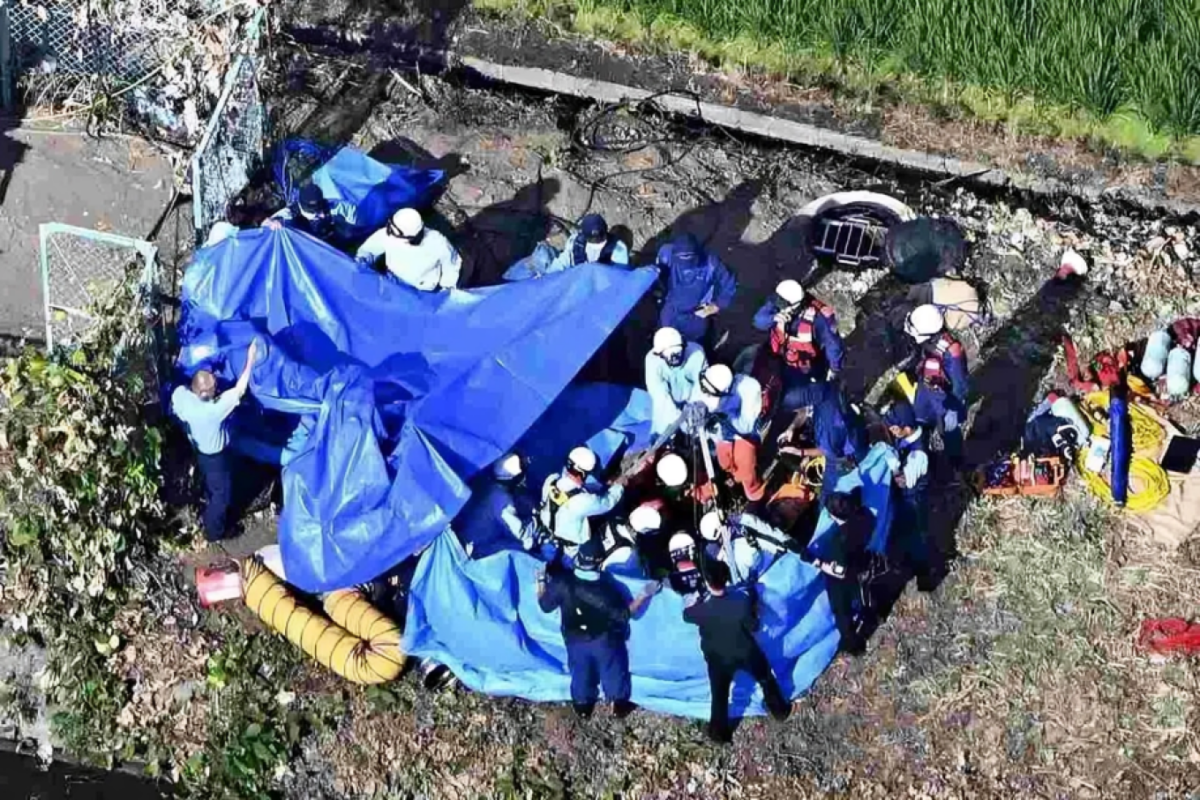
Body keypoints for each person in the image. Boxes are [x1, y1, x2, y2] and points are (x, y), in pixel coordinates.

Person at [537, 540, 660, 718]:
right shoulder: (606, 590)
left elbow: (544, 605)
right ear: (599, 562)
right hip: (604, 641)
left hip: (574, 639)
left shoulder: (562, 582)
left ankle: (583, 707)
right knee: (613, 670)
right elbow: (625, 614)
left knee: (580, 672)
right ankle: (619, 706)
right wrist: (644, 594)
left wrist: (541, 581)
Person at [684, 560, 790, 743]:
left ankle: (718, 734)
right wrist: (752, 599)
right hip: (745, 652)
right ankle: (780, 711)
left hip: (717, 657)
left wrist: (696, 600)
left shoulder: (701, 610)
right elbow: (754, 626)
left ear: (708, 583)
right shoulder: (741, 601)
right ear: (726, 580)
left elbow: (686, 615)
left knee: (719, 695)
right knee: (766, 678)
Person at [171, 340, 258, 542]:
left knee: (211, 483)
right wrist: (251, 359)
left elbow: (177, 394)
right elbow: (240, 389)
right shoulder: (213, 410)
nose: (216, 388)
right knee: (221, 495)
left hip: (199, 450)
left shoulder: (182, 396)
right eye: (213, 388)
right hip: (215, 457)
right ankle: (214, 532)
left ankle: (205, 500)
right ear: (204, 393)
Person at [753, 279, 844, 413]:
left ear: (796, 305)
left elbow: (833, 346)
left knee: (786, 400)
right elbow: (758, 321)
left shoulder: (819, 318)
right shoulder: (779, 300)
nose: (779, 306)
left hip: (801, 368)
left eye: (784, 304)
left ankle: (819, 398)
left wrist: (834, 368)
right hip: (775, 357)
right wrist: (773, 318)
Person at [881, 397, 936, 591]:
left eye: (894, 427)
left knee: (916, 536)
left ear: (907, 428)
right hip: (906, 497)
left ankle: (924, 576)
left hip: (913, 499)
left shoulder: (918, 455)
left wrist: (894, 467)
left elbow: (903, 481)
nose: (891, 430)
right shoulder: (910, 433)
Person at [778, 383, 867, 500]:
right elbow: (805, 410)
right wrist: (792, 427)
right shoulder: (818, 400)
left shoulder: (826, 439)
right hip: (845, 418)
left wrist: (801, 451)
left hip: (855, 446)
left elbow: (825, 450)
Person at [813, 490, 876, 656]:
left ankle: (852, 644)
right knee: (864, 596)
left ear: (833, 516)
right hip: (861, 564)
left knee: (842, 611)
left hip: (843, 579)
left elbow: (839, 571)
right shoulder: (864, 516)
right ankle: (870, 614)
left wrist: (818, 563)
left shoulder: (838, 542)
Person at [904, 304, 967, 465]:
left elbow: (960, 385)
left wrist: (953, 409)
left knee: (949, 432)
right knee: (920, 420)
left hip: (945, 401)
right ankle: (921, 452)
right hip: (925, 389)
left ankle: (956, 464)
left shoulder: (951, 351)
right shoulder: (928, 339)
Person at [694, 364, 765, 502]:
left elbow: (745, 426)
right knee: (724, 461)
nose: (706, 395)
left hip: (745, 434)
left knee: (744, 470)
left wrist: (722, 416)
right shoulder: (707, 383)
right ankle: (724, 484)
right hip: (722, 430)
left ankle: (754, 490)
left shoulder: (749, 388)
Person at [537, 446, 625, 551]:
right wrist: (619, 486)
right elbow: (608, 503)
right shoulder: (583, 501)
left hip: (548, 530)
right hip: (572, 547)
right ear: (582, 474)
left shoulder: (551, 480)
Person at [655, 233, 737, 345]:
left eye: (689, 257)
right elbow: (656, 277)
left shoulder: (711, 263)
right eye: (682, 258)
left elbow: (729, 285)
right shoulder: (666, 255)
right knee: (665, 341)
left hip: (696, 313)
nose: (685, 262)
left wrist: (717, 306)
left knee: (694, 345)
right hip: (670, 310)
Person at [356, 208, 461, 291]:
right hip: (392, 279)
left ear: (413, 238)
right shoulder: (388, 233)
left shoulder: (438, 243)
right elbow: (368, 250)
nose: (389, 233)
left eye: (394, 232)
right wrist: (362, 260)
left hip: (421, 289)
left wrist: (447, 288)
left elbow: (452, 265)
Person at [456, 452, 536, 558]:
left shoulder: (487, 484)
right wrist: (535, 523)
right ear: (514, 478)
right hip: (475, 550)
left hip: (463, 538)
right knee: (523, 545)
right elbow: (521, 534)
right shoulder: (502, 500)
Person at [646, 327, 708, 437]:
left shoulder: (697, 353)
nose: (675, 358)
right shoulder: (652, 362)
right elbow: (660, 396)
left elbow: (702, 386)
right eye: (670, 356)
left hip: (691, 396)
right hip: (668, 400)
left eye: (678, 353)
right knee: (663, 427)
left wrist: (694, 411)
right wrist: (679, 420)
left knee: (702, 422)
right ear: (660, 354)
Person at [549, 213, 630, 270]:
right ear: (584, 236)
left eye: (600, 238)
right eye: (593, 240)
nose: (597, 242)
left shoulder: (618, 249)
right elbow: (560, 265)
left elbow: (620, 274)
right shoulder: (575, 244)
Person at [264, 183, 335, 240]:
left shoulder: (329, 206)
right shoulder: (291, 213)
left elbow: (339, 208)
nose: (323, 215)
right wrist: (271, 223)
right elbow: (266, 224)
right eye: (316, 213)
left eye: (321, 210)